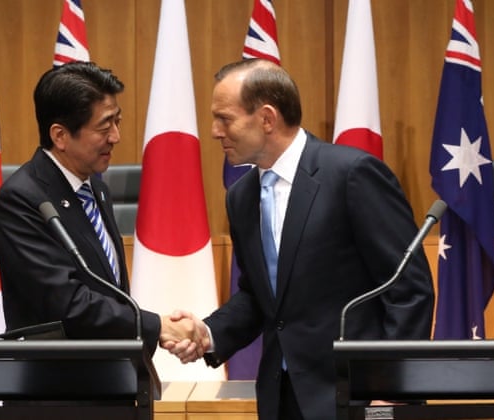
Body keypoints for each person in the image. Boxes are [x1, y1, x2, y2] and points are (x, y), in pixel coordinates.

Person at [164, 58, 434, 419]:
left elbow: (408, 287)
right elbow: (261, 297)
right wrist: (208, 333)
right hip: (282, 396)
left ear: (266, 118)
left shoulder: (352, 174)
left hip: (357, 394)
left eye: (224, 118)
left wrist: (392, 387)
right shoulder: (241, 195)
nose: (214, 131)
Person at [0, 61, 200, 355]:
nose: (116, 136)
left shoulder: (96, 190)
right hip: (56, 389)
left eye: (118, 121)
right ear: (60, 136)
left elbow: (109, 291)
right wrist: (157, 327)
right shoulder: (23, 199)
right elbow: (67, 303)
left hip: (111, 378)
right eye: (105, 126)